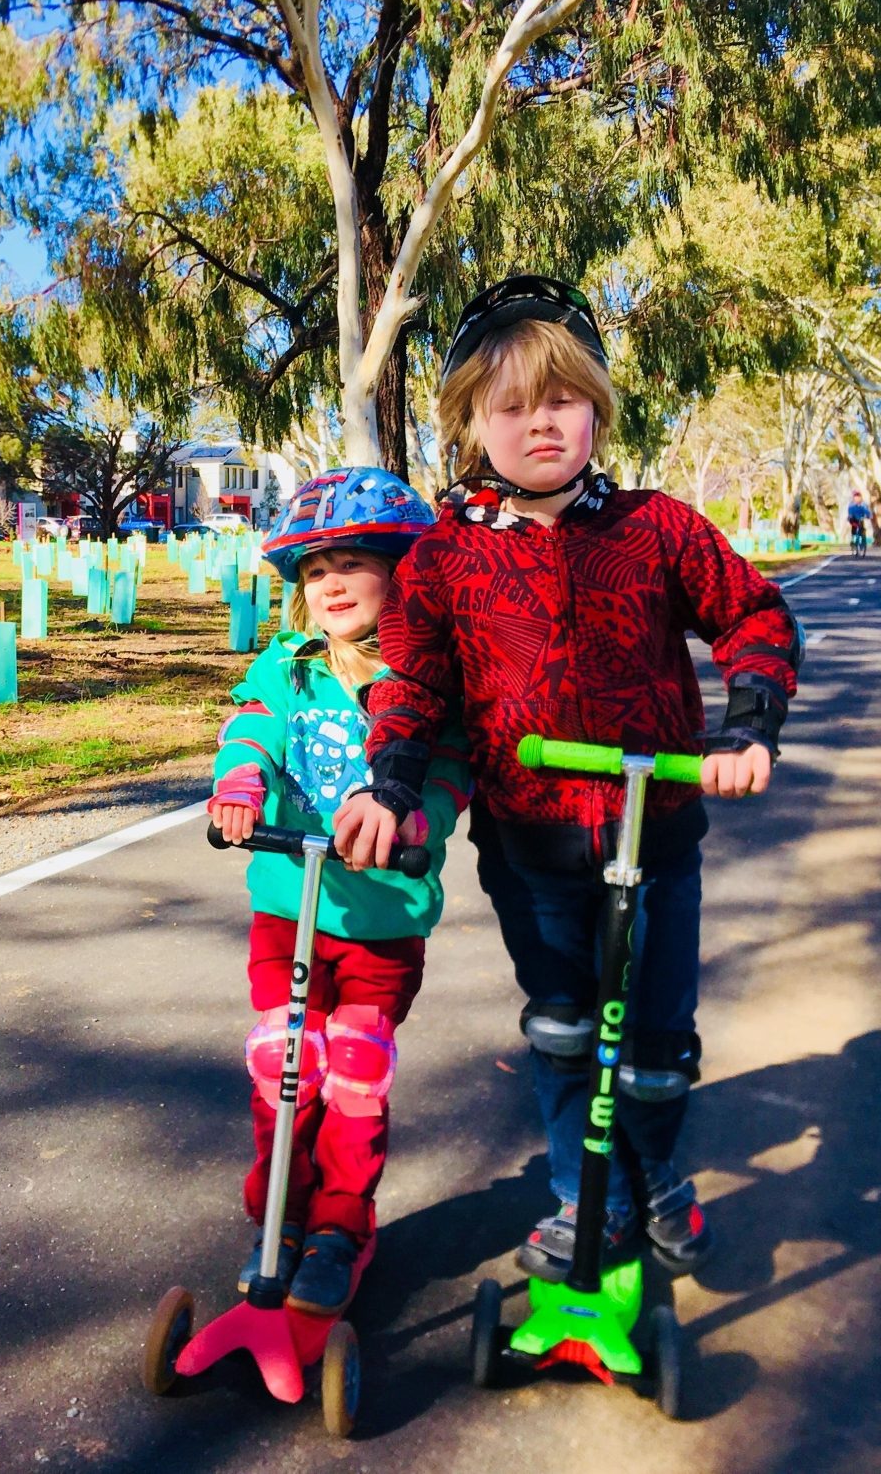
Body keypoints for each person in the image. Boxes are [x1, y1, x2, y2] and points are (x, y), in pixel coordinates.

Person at [330, 276, 803, 1280]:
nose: (537, 422)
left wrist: (748, 726)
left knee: (656, 1045)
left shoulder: (658, 529)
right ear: (469, 421)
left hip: (658, 837)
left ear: (594, 407)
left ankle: (657, 1176)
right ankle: (576, 1191)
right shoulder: (441, 561)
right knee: (559, 1028)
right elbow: (411, 686)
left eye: (559, 399)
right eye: (508, 405)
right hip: (529, 846)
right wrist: (389, 786)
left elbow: (753, 616)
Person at [208, 466, 472, 1314]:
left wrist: (420, 822)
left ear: (398, 573)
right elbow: (249, 727)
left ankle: (338, 1227)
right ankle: (278, 1215)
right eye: (315, 571)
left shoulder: (424, 680)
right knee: (284, 1066)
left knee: (354, 1071)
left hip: (381, 920)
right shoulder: (288, 666)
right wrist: (241, 784)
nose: (330, 584)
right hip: (286, 909)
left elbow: (450, 769)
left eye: (351, 564)